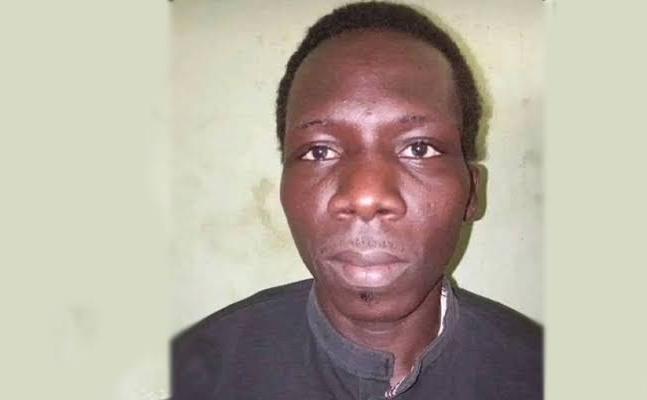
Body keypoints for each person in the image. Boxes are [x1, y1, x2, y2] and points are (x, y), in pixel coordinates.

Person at [171, 2, 542, 399]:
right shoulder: (194, 375)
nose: (366, 197)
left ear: (472, 192)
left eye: (419, 148)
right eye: (319, 152)